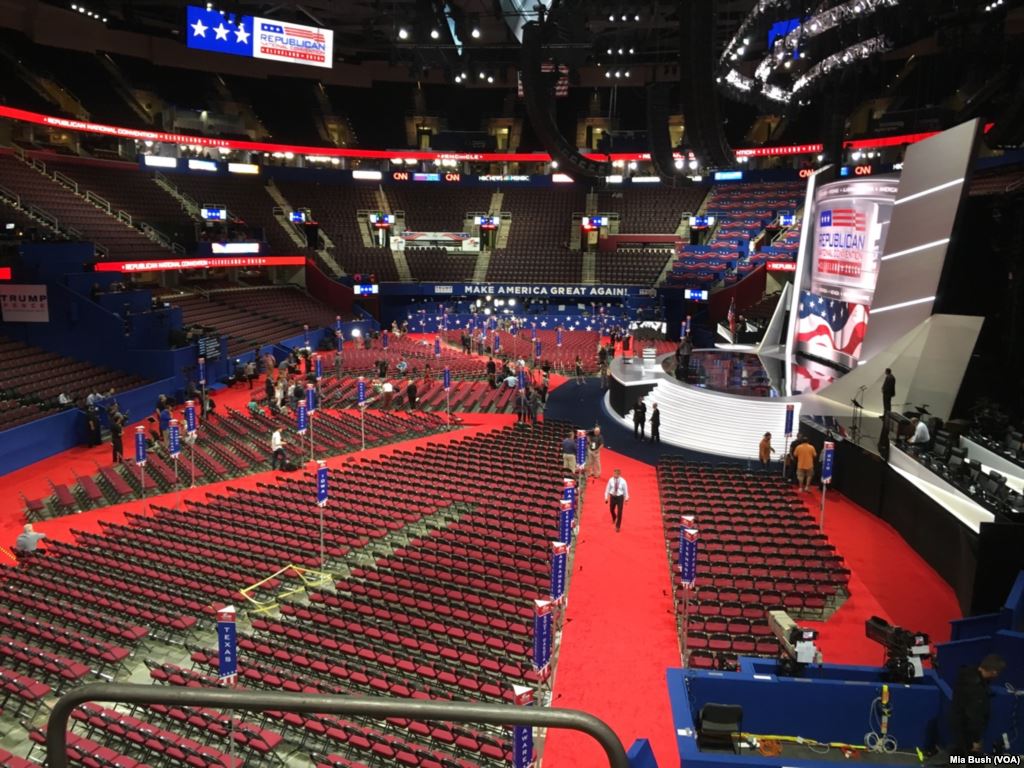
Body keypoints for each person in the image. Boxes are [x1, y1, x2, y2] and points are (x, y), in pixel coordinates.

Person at [950, 654, 1006, 755]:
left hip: (958, 723)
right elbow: (974, 716)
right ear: (994, 672)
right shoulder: (977, 690)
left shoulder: (967, 674)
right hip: (967, 732)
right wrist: (975, 740)